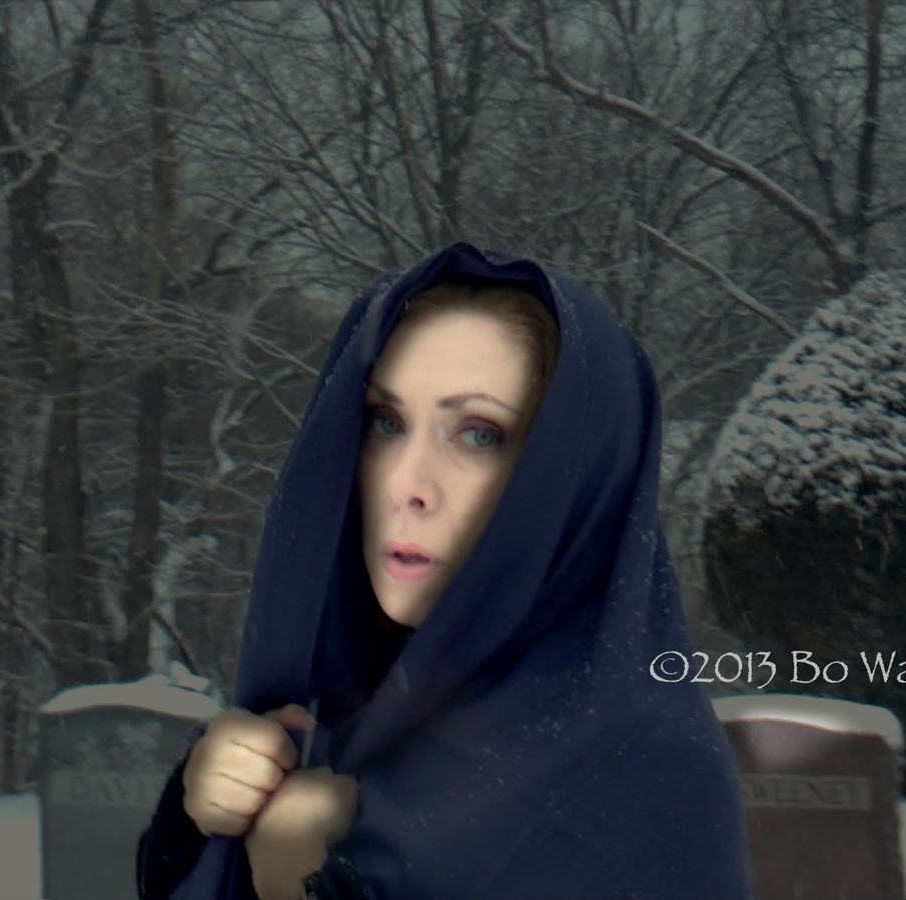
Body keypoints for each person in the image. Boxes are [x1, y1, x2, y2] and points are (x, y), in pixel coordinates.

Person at [137, 242, 751, 899]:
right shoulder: (329, 715)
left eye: (479, 434)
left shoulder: (639, 780)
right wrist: (193, 831)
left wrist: (296, 879)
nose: (406, 483)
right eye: (385, 422)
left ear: (572, 482)